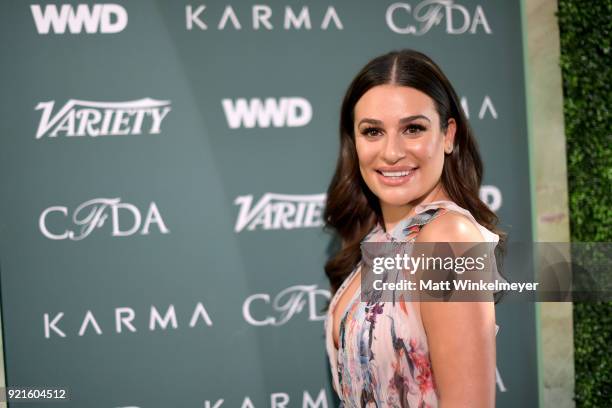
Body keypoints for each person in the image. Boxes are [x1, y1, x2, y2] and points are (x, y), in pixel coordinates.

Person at [323, 49, 506, 407]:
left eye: (413, 128)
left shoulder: (448, 238)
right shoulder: (379, 237)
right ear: (354, 142)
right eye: (373, 131)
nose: (391, 152)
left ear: (448, 135)